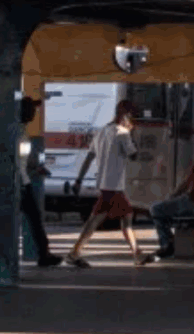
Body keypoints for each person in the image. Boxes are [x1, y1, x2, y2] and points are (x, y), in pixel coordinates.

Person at [64, 100, 151, 268]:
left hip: (106, 185)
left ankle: (75, 253)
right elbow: (134, 155)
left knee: (113, 220)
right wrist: (133, 135)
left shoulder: (101, 131)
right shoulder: (123, 133)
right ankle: (74, 254)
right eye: (131, 117)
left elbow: (89, 158)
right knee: (115, 220)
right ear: (125, 115)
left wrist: (78, 180)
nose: (132, 121)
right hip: (114, 187)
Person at [146, 137, 194, 262]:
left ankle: (167, 245)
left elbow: (186, 185)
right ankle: (170, 243)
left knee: (155, 209)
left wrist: (171, 197)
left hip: (192, 203)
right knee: (167, 214)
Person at [17, 97, 62, 267]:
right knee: (33, 218)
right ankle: (44, 254)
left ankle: (44, 253)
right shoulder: (15, 131)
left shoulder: (21, 130)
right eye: (31, 110)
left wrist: (35, 168)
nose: (34, 113)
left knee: (35, 218)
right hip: (18, 183)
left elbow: (21, 160)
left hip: (23, 180)